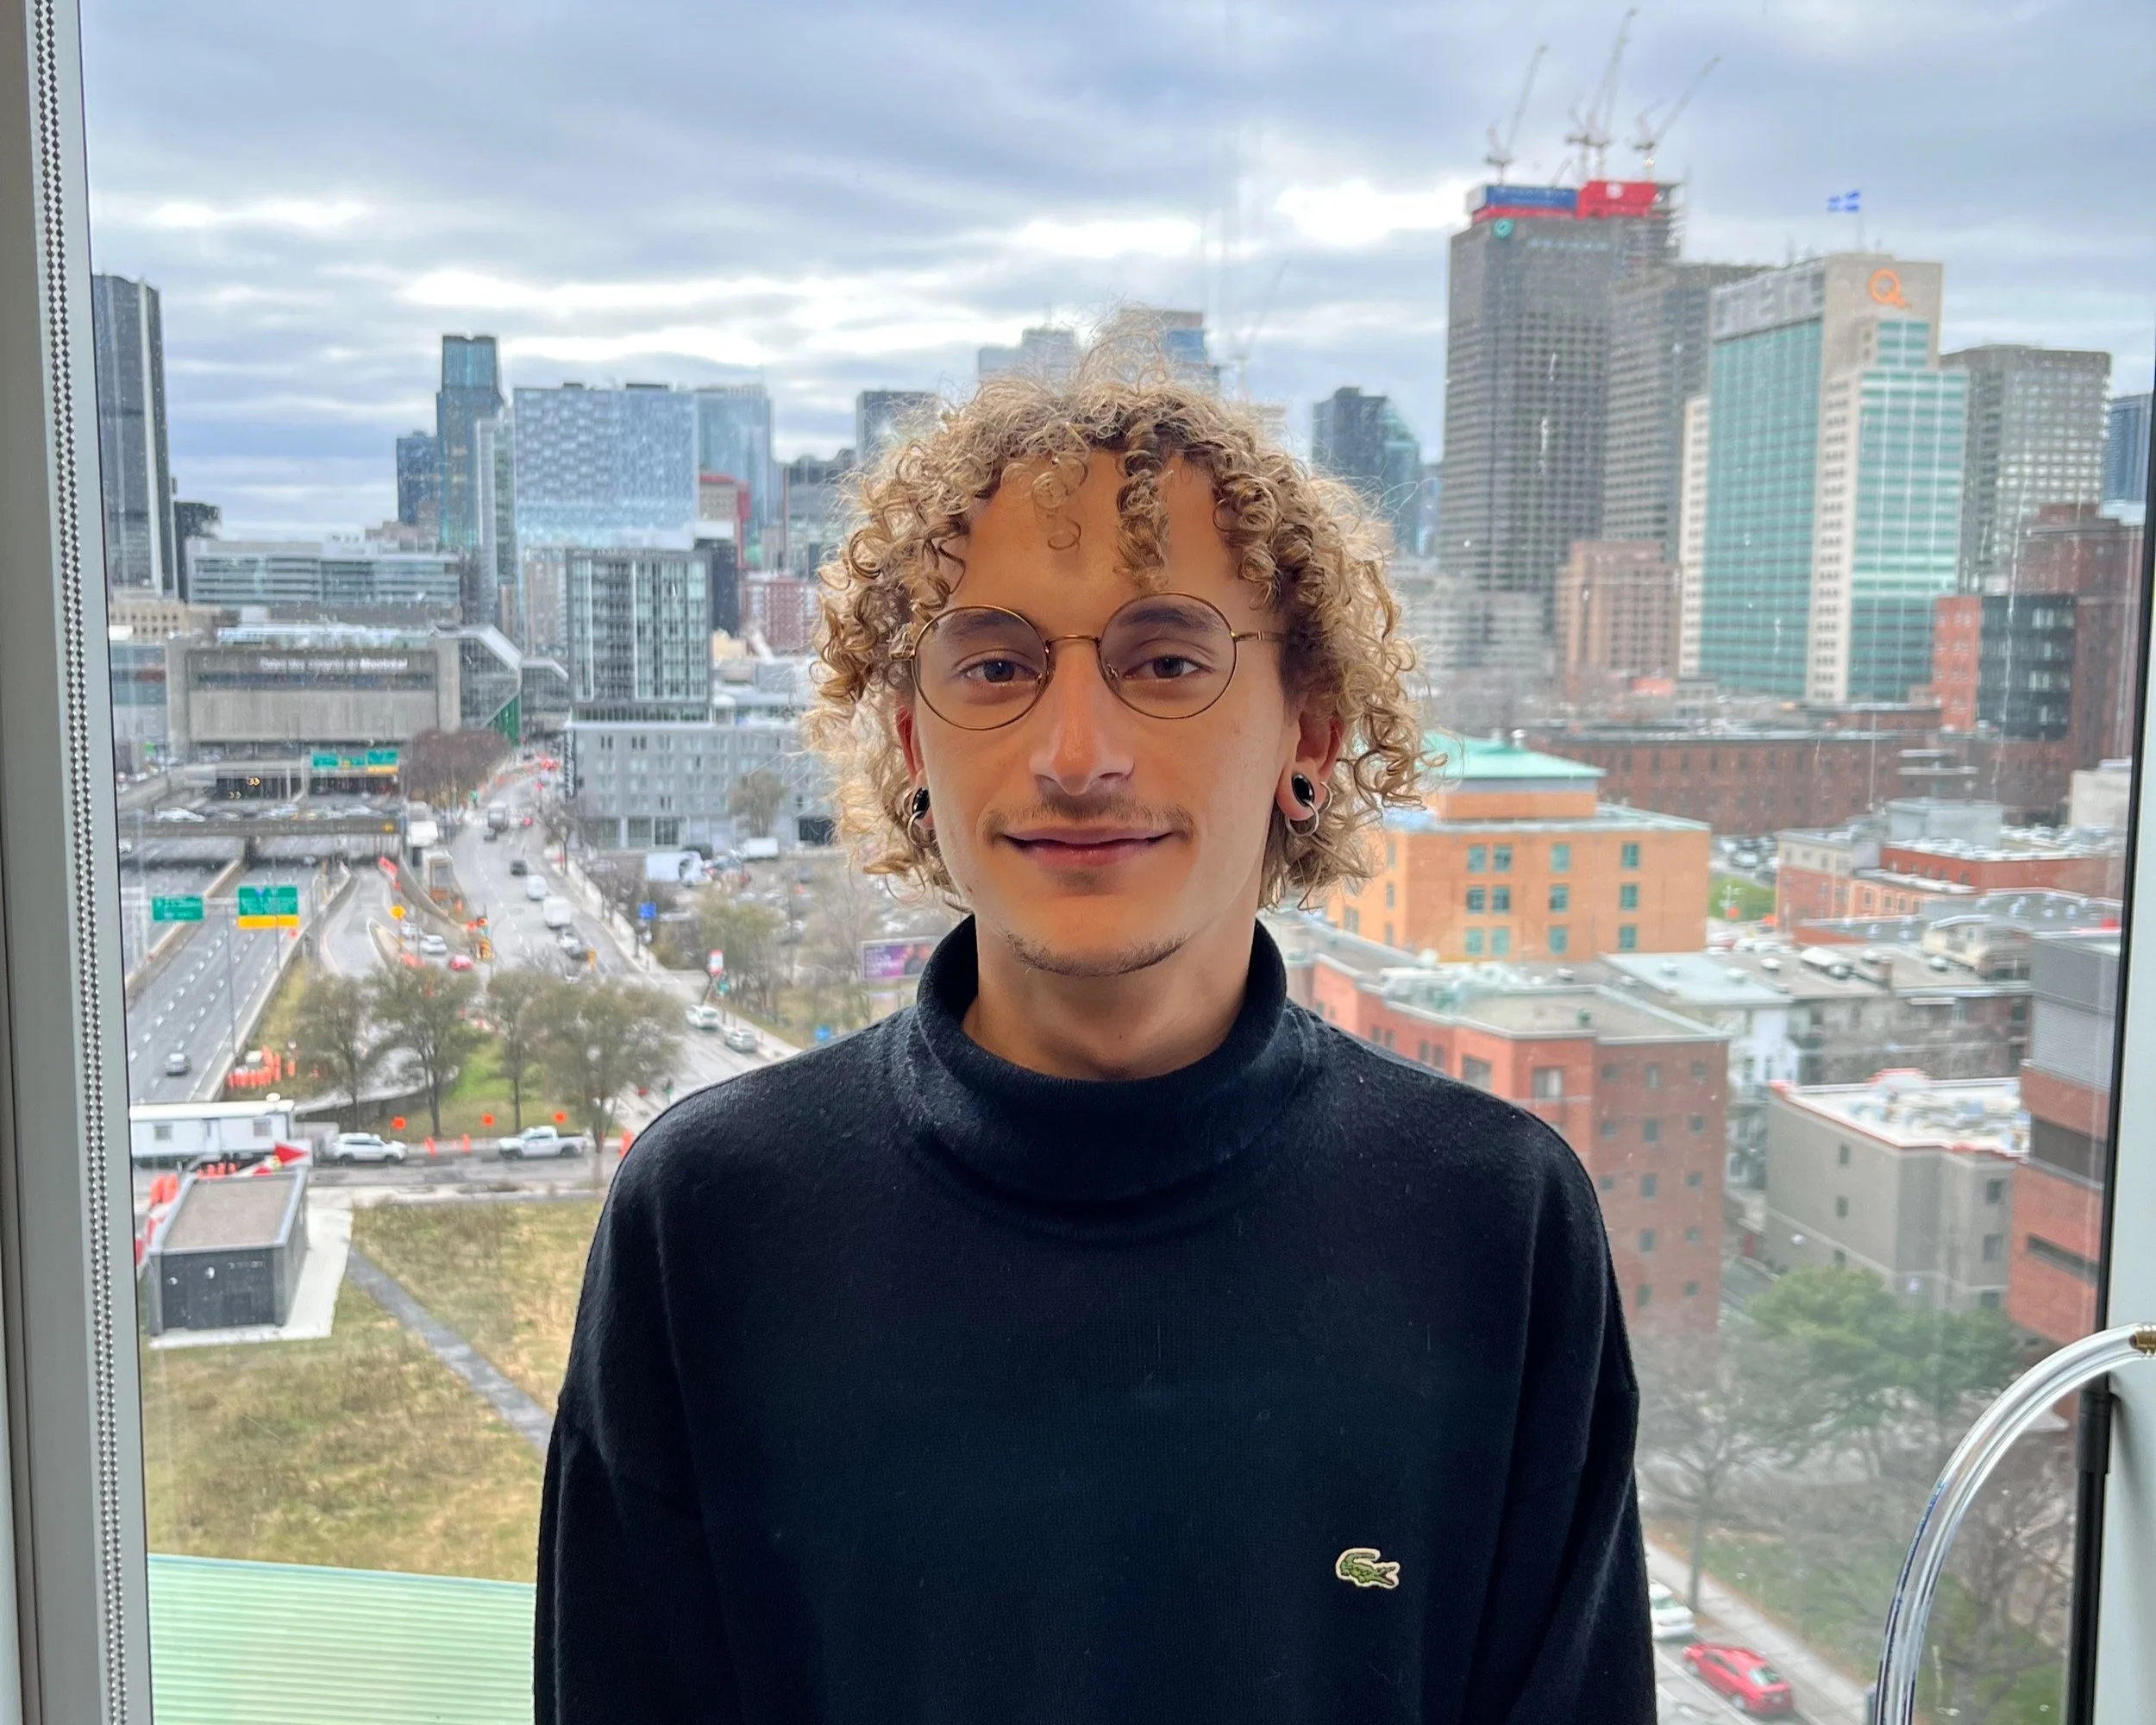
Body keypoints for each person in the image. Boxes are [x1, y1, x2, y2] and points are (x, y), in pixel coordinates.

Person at [537, 360, 1654, 1723]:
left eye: (1168, 659)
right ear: (910, 745)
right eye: (996, 666)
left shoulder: (1494, 1224)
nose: (1076, 752)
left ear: (1311, 729)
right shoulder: (714, 1217)